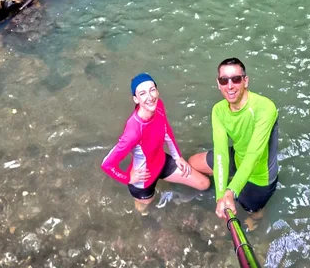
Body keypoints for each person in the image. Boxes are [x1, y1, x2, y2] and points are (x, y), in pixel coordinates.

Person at [101, 72, 210, 214]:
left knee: (204, 184)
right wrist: (128, 178)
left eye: (152, 90)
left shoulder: (158, 105)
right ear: (136, 99)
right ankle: (142, 213)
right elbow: (107, 164)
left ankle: (175, 197)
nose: (150, 97)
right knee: (145, 208)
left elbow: (166, 131)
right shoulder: (133, 131)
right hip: (143, 180)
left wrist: (178, 157)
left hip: (162, 162)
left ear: (157, 91)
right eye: (143, 93)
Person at [189, 58, 279, 221]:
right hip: (237, 157)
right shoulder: (218, 110)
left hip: (259, 175)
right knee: (193, 162)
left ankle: (254, 218)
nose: (229, 86)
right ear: (218, 83)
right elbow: (221, 154)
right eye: (224, 80)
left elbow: (253, 155)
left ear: (245, 81)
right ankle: (231, 182)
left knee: (252, 214)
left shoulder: (265, 108)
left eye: (236, 79)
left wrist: (231, 191)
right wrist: (220, 196)